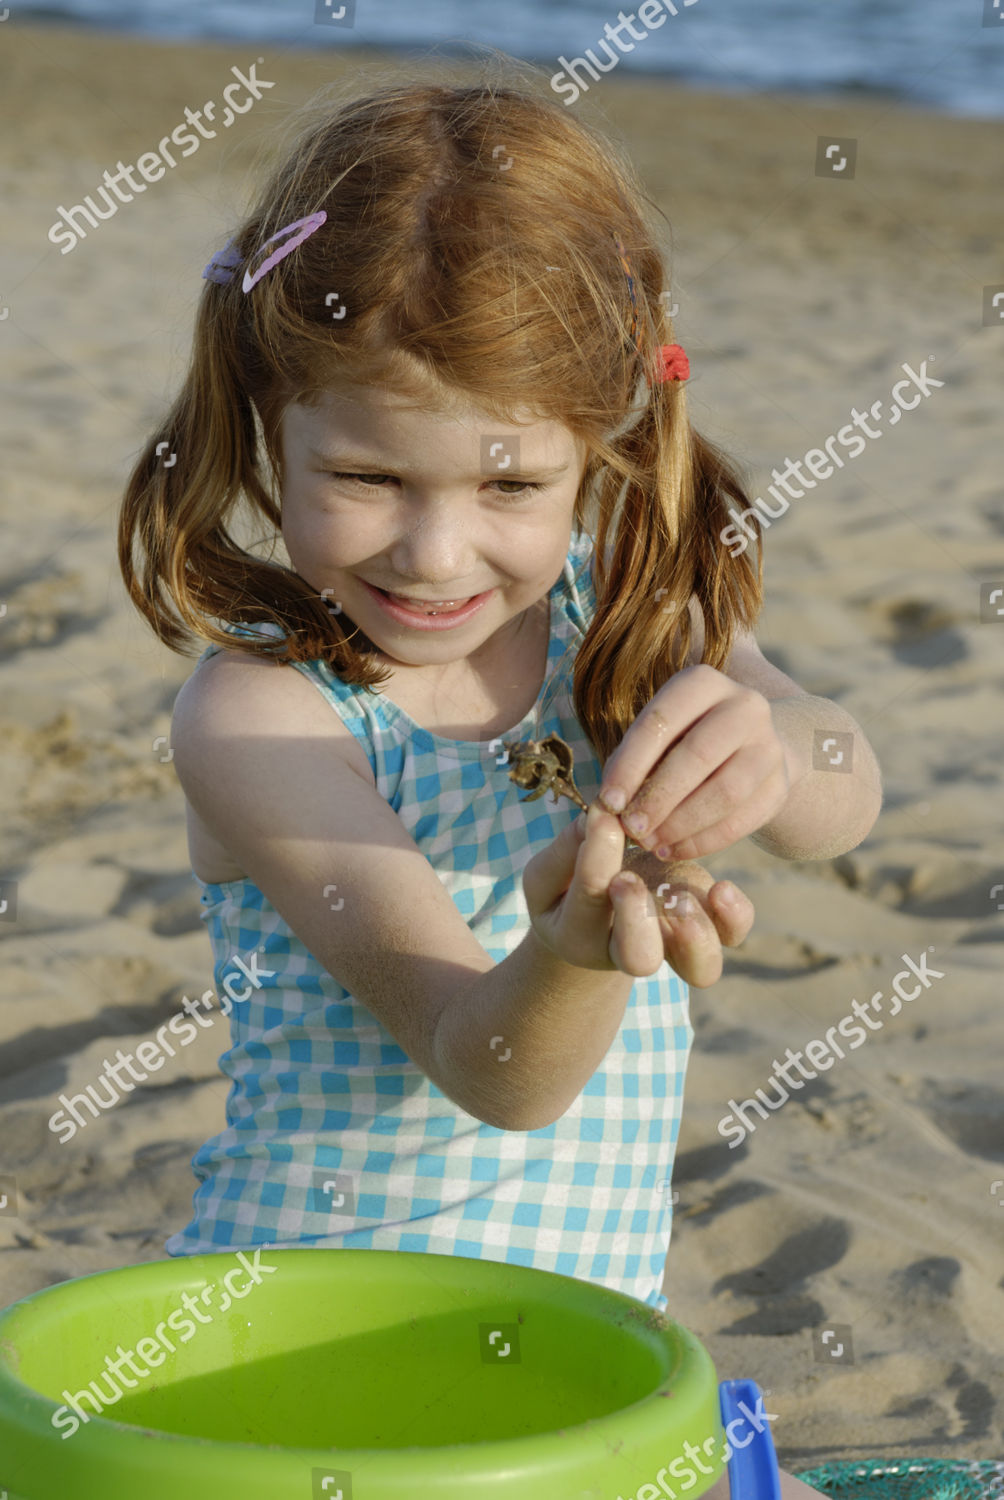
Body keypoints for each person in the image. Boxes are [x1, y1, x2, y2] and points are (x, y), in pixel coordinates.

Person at [118, 65, 880, 1498]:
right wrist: (580, 950)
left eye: (510, 486)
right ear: (269, 414)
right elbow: (489, 1063)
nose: (437, 555)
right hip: (307, 1372)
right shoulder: (264, 712)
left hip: (574, 1374)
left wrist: (779, 745)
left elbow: (849, 801)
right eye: (370, 478)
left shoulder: (631, 627)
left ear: (603, 443)